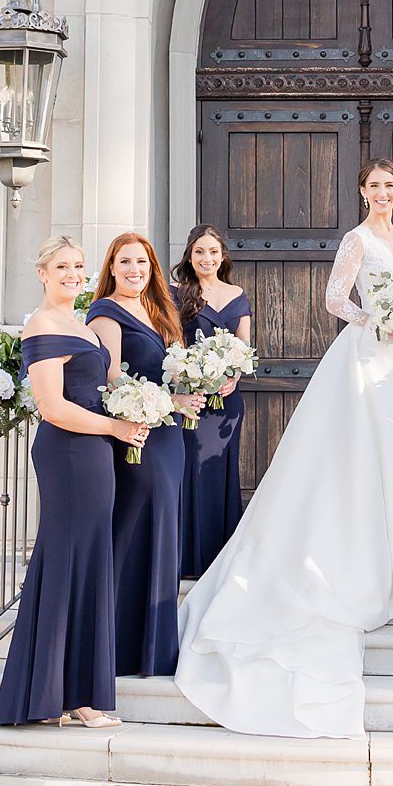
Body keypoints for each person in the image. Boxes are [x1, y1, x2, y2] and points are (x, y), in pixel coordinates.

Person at [174, 157, 393, 738]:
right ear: (362, 192)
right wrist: (377, 320)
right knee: (365, 456)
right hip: (370, 353)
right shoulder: (355, 240)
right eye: (373, 186)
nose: (381, 193)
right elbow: (335, 298)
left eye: (389, 185)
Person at [0, 235, 147, 730]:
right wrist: (116, 427)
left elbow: (106, 386)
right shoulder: (41, 324)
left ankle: (61, 692)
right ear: (42, 273)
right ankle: (70, 696)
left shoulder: (82, 325)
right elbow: (53, 408)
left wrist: (151, 405)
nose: (74, 274)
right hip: (69, 456)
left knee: (85, 564)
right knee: (68, 563)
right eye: (62, 266)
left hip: (96, 454)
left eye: (79, 266)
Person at [87, 232, 201, 678]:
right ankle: (116, 648)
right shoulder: (106, 313)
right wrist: (166, 403)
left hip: (170, 437)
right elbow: (112, 377)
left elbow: (172, 367)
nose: (135, 270)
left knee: (164, 529)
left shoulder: (159, 311)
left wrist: (194, 386)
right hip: (139, 435)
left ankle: (155, 649)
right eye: (126, 262)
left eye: (143, 262)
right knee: (138, 528)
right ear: (111, 268)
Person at [171, 225, 252, 578]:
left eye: (213, 252)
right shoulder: (175, 294)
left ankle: (220, 560)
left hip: (226, 405)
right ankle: (188, 559)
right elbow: (172, 344)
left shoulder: (238, 294)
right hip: (193, 401)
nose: (207, 258)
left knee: (221, 472)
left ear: (223, 257)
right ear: (190, 256)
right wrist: (188, 377)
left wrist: (233, 375)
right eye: (200, 251)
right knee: (191, 473)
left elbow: (244, 348)